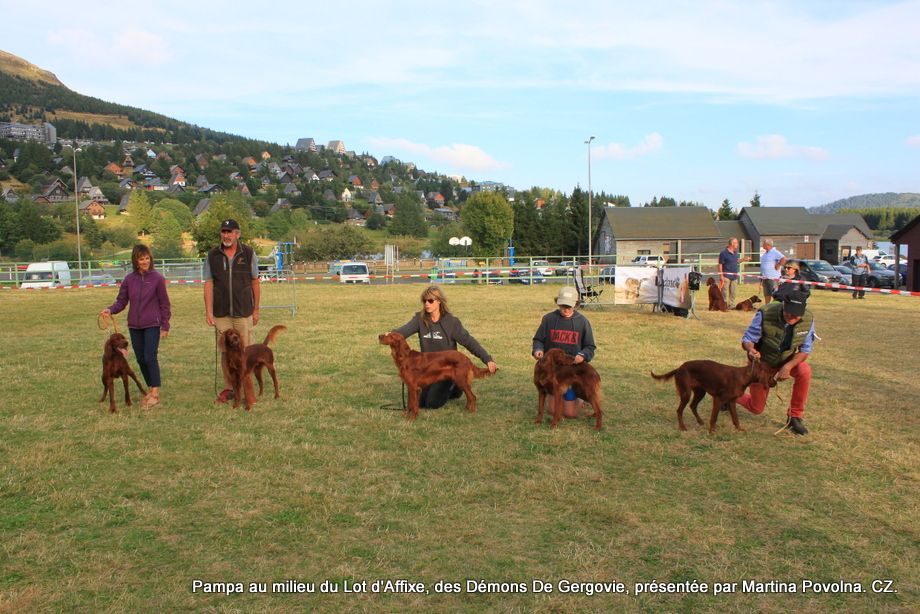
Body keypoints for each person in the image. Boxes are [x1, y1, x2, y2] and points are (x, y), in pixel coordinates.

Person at [392, 285, 497, 408]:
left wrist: (487, 359)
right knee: (421, 403)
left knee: (432, 403)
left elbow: (469, 342)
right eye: (424, 301)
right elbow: (403, 331)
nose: (427, 304)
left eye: (430, 301)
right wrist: (390, 334)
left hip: (447, 368)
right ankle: (454, 386)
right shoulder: (420, 319)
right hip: (428, 369)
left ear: (439, 301)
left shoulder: (451, 322)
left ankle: (455, 386)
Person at [100, 244, 171, 409]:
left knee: (149, 357)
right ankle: (149, 388)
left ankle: (155, 392)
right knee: (140, 359)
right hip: (134, 326)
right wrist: (110, 310)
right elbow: (122, 301)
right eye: (141, 259)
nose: (145, 261)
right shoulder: (129, 279)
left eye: (147, 258)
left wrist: (165, 325)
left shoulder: (157, 279)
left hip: (152, 324)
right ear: (135, 260)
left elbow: (164, 304)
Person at [738, 289, 816, 436]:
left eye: (796, 314)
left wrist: (788, 366)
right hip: (762, 363)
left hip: (786, 361)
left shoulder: (808, 319)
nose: (792, 317)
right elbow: (748, 339)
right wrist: (750, 350)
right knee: (757, 408)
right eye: (789, 312)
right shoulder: (766, 313)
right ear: (783, 305)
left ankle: (795, 417)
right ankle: (730, 395)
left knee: (804, 370)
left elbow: (805, 350)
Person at [204, 219, 261, 402]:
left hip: (243, 311)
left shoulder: (249, 253)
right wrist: (208, 311)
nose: (227, 235)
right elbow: (208, 284)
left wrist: (256, 309)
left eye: (230, 232)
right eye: (224, 231)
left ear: (238, 233)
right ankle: (230, 388)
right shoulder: (212, 255)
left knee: (244, 351)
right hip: (221, 313)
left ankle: (246, 389)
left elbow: (255, 282)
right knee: (225, 352)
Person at [532, 286, 597, 418]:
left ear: (576, 305)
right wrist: (538, 349)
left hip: (572, 372)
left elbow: (590, 346)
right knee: (552, 410)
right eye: (562, 306)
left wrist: (582, 355)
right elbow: (538, 339)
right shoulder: (548, 319)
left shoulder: (583, 322)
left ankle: (580, 397)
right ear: (558, 303)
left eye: (569, 306)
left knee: (569, 413)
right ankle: (561, 397)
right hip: (552, 371)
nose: (566, 309)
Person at [718, 237, 748, 308]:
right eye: (736, 243)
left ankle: (731, 305)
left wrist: (743, 259)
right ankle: (724, 305)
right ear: (732, 244)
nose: (737, 244)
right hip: (726, 276)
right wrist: (721, 276)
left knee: (733, 292)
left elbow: (736, 261)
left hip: (734, 276)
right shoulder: (723, 253)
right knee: (724, 292)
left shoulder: (735, 252)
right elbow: (720, 264)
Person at [759, 238, 787, 304]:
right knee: (767, 293)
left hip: (773, 278)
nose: (762, 245)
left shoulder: (775, 252)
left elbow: (784, 259)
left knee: (775, 293)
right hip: (765, 277)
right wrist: (761, 275)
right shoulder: (765, 253)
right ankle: (767, 306)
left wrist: (778, 264)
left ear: (768, 245)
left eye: (763, 243)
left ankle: (776, 306)